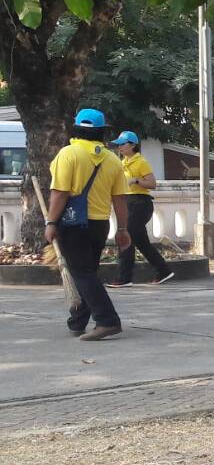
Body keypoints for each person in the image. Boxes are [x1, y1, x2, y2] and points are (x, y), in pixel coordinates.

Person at [43, 109, 130, 341]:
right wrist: (122, 229)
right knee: (87, 272)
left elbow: (59, 193)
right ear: (102, 132)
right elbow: (120, 199)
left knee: (81, 273)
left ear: (76, 128)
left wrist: (51, 222)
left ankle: (107, 320)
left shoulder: (68, 154)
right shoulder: (113, 159)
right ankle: (77, 322)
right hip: (99, 225)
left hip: (73, 223)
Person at [106, 131, 174, 287]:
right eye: (119, 144)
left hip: (140, 204)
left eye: (123, 144)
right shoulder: (121, 162)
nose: (120, 147)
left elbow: (152, 183)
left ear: (133, 145)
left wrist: (136, 180)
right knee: (141, 242)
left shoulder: (141, 162)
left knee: (126, 236)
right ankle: (164, 270)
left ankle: (124, 277)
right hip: (128, 202)